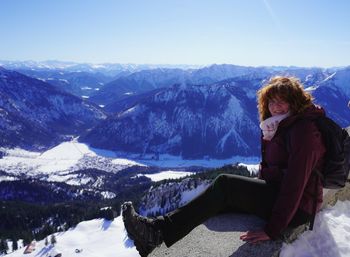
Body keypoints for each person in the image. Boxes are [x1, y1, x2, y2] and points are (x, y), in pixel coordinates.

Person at [122, 76, 326, 257]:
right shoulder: (279, 125)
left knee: (225, 184)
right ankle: (159, 231)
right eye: (271, 101)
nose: (275, 106)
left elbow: (295, 184)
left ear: (295, 102)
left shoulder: (303, 132)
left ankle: (157, 232)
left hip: (299, 208)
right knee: (217, 201)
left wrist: (272, 229)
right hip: (278, 193)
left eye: (282, 101)